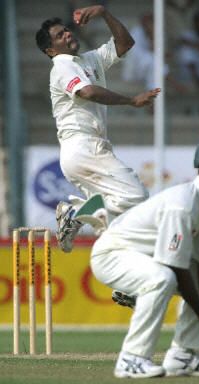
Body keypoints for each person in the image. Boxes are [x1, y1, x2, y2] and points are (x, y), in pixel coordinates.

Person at [91, 134, 199, 378]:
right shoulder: (182, 204)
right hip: (112, 255)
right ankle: (132, 358)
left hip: (148, 258)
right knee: (162, 277)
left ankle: (183, 355)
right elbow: (174, 266)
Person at [35, 5, 160, 252]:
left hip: (86, 151)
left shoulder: (88, 60)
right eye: (59, 36)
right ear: (51, 50)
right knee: (136, 196)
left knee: (114, 221)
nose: (67, 35)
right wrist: (131, 101)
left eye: (66, 31)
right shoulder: (62, 64)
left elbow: (125, 44)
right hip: (83, 147)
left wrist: (103, 13)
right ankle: (76, 212)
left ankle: (124, 284)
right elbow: (87, 91)